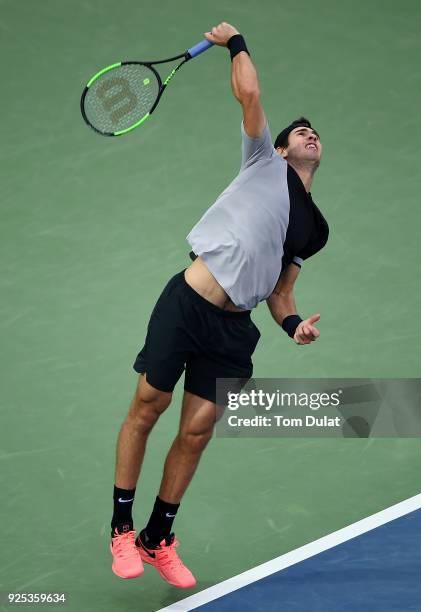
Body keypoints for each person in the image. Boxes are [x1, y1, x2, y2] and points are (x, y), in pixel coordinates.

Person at [109, 22, 329, 588]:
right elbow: (250, 94)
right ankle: (121, 528)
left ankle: (158, 537)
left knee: (198, 431)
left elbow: (280, 293)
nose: (308, 134)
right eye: (298, 131)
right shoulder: (262, 162)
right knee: (148, 405)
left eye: (314, 133)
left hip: (234, 330)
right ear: (278, 147)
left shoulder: (316, 228)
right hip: (187, 302)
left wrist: (293, 326)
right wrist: (236, 42)